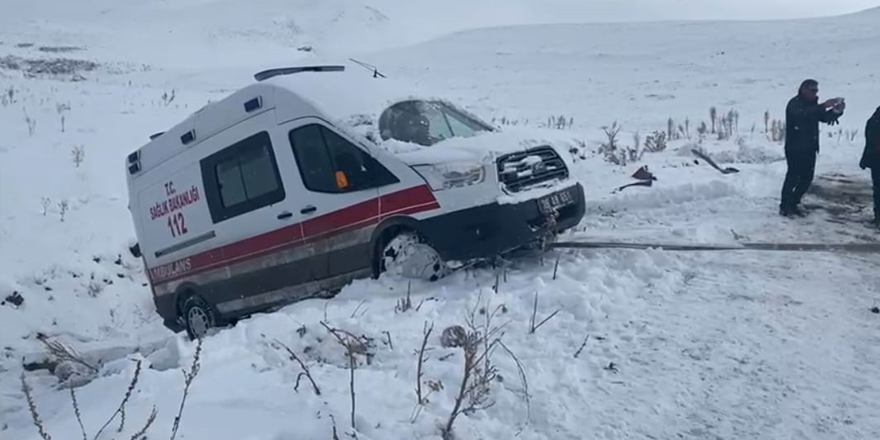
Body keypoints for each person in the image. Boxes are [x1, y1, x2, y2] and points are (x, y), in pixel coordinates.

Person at [779, 79, 845, 217]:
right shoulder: (794, 104)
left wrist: (836, 111)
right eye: (812, 90)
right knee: (793, 176)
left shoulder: (812, 104)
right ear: (803, 89)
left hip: (810, 147)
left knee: (807, 178)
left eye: (816, 90)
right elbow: (802, 115)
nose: (815, 93)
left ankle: (794, 202)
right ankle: (785, 206)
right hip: (795, 148)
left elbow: (823, 117)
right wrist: (823, 106)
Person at [859, 106, 880, 226]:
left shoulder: (875, 118)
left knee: (878, 189)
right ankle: (878, 216)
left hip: (876, 158)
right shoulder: (876, 119)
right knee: (878, 189)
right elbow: (871, 140)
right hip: (877, 159)